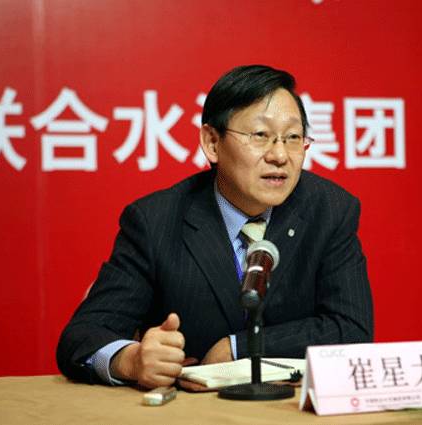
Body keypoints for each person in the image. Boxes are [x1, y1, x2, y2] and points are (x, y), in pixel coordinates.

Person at [56, 64, 373, 389]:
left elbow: (351, 328)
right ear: (212, 142)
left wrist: (236, 349)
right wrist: (130, 360)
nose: (280, 155)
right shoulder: (156, 221)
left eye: (293, 137)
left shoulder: (330, 210)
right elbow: (83, 337)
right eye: (260, 136)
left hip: (290, 409)